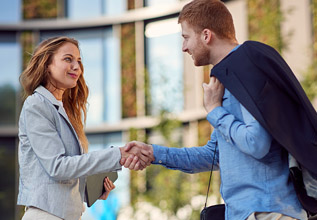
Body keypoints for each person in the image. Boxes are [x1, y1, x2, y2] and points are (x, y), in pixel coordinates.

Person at [121, 0, 317, 219]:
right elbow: (213, 155)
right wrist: (154, 153)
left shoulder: (244, 67)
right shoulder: (229, 77)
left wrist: (215, 110)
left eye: (186, 38)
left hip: (266, 211)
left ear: (206, 35)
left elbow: (257, 143)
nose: (183, 47)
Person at [17, 36, 153, 220]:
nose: (76, 67)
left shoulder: (63, 111)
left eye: (79, 61)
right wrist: (117, 155)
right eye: (68, 59)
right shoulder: (36, 105)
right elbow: (57, 167)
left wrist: (92, 190)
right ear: (46, 64)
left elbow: (64, 177)